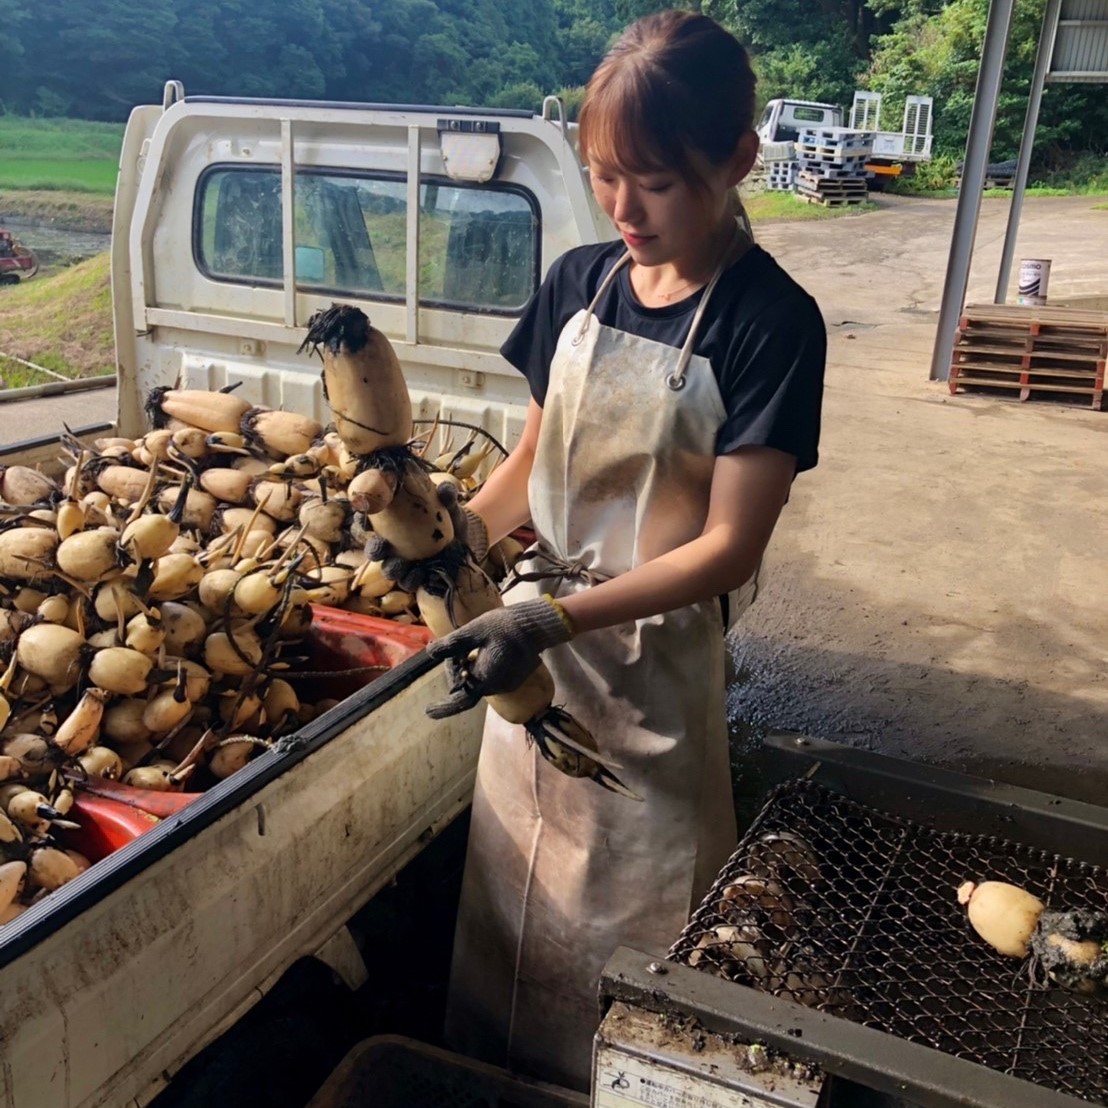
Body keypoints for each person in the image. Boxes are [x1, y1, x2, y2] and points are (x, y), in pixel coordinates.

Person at [380, 9, 825, 1092]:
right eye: (601, 175)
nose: (623, 208)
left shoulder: (770, 323)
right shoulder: (580, 282)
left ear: (735, 162)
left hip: (651, 680)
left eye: (657, 181)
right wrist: (462, 539)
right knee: (509, 919)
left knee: (635, 954)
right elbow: (534, 461)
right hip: (526, 654)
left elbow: (727, 547)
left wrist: (553, 614)